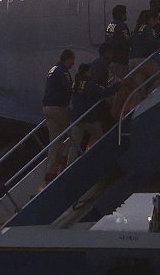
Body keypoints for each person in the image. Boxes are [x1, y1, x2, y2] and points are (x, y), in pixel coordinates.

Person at [70, 63, 121, 155]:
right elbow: (106, 92)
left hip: (75, 119)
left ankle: (68, 166)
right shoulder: (90, 85)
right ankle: (106, 157)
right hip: (87, 119)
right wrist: (118, 84)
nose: (92, 73)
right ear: (86, 72)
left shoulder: (75, 84)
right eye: (90, 71)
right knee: (103, 138)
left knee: (74, 146)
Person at [42, 49, 74, 181]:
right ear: (68, 59)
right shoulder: (63, 71)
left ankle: (50, 172)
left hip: (47, 107)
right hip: (58, 107)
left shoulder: (52, 69)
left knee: (55, 140)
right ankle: (65, 156)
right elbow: (69, 88)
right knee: (76, 129)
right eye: (72, 60)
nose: (73, 64)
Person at [127, 10, 160, 97]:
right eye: (156, 19)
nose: (158, 22)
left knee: (140, 85)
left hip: (131, 61)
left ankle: (139, 103)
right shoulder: (149, 29)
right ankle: (150, 98)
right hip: (141, 60)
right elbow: (153, 42)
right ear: (151, 19)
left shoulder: (139, 28)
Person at [104, 5, 132, 114]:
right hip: (121, 61)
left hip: (112, 61)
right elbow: (127, 42)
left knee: (116, 85)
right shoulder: (122, 26)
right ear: (121, 14)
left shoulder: (110, 26)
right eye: (125, 13)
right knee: (123, 87)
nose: (126, 15)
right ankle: (115, 113)